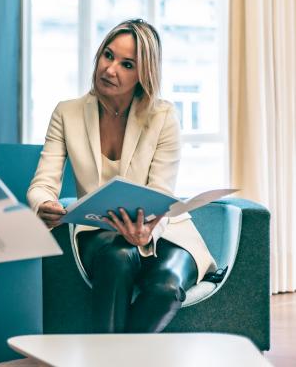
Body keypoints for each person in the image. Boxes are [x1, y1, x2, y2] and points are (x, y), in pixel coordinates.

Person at [27, 19, 217, 333]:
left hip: (163, 234)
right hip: (98, 232)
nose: (110, 69)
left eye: (127, 64)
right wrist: (43, 203)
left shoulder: (164, 116)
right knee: (118, 257)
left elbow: (160, 190)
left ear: (143, 74)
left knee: (166, 289)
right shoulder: (67, 112)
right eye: (108, 55)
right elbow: (43, 182)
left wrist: (147, 232)